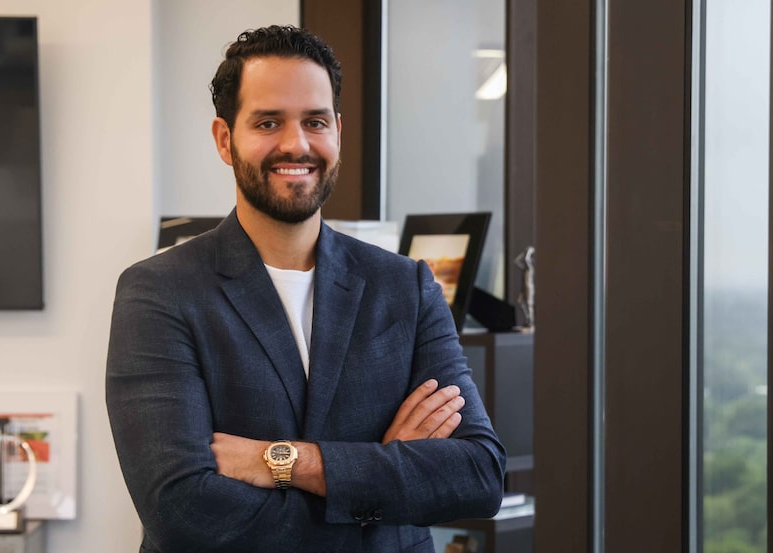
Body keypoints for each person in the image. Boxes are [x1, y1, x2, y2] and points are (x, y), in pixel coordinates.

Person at [106, 24, 505, 553]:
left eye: (315, 121)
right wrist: (380, 487)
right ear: (225, 140)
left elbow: (477, 475)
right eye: (268, 122)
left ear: (337, 131)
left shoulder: (405, 286)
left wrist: (288, 462)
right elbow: (182, 509)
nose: (296, 143)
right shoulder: (159, 293)